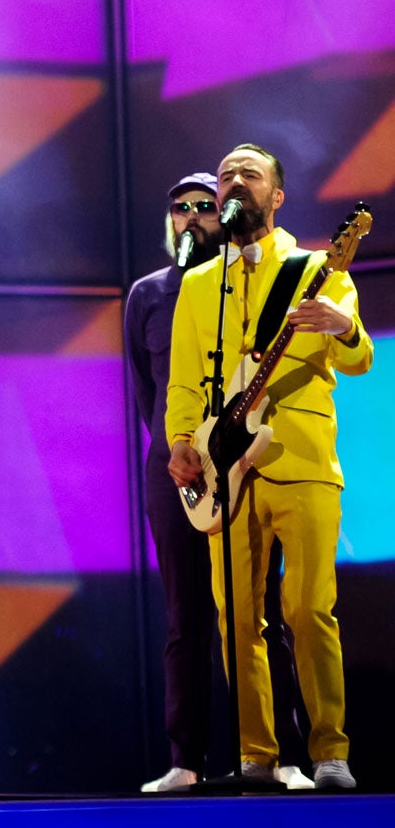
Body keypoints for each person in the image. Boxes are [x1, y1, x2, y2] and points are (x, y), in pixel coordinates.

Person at [166, 144, 373, 791]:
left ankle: (330, 752)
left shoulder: (318, 267)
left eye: (248, 174)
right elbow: (182, 382)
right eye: (226, 173)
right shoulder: (200, 284)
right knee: (236, 619)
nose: (233, 182)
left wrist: (344, 329)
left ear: (277, 196)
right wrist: (180, 439)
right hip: (226, 467)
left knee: (309, 610)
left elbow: (358, 359)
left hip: (301, 457)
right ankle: (257, 753)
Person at [127, 171, 311, 793]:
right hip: (177, 470)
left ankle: (277, 752)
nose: (191, 216)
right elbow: (147, 390)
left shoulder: (246, 283)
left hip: (244, 460)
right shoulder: (147, 295)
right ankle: (186, 759)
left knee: (259, 609)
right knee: (185, 617)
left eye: (205, 205)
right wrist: (181, 448)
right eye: (179, 207)